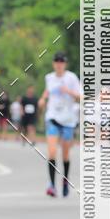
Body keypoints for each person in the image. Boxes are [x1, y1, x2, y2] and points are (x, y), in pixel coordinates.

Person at [38, 52, 81, 197]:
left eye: (61, 62)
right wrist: (42, 99)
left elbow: (81, 97)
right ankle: (51, 185)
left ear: (65, 64)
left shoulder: (71, 78)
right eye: (57, 61)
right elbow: (47, 92)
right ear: (53, 63)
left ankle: (65, 180)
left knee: (65, 155)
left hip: (68, 120)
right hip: (53, 118)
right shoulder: (49, 77)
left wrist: (68, 91)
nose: (59, 64)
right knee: (51, 152)